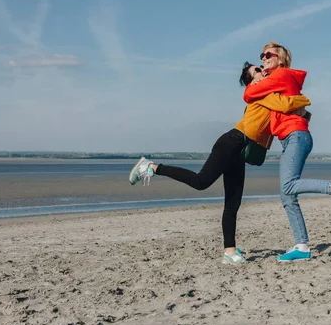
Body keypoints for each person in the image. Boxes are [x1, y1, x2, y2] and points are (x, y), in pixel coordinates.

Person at [128, 67, 311, 265]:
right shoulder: (259, 90)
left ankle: (229, 252)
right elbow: (285, 105)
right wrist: (304, 100)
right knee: (201, 181)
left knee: (233, 203)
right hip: (231, 142)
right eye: (257, 70)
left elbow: (289, 111)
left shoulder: (268, 90)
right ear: (252, 80)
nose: (262, 69)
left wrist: (302, 112)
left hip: (240, 150)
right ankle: (152, 167)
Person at [242, 42, 331, 262]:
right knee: (286, 194)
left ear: (281, 59)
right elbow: (287, 106)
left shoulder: (281, 74)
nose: (264, 58)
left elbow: (249, 94)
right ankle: (302, 246)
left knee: (287, 185)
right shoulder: (278, 82)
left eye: (269, 55)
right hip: (291, 137)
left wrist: (258, 85)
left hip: (295, 135)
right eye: (262, 55)